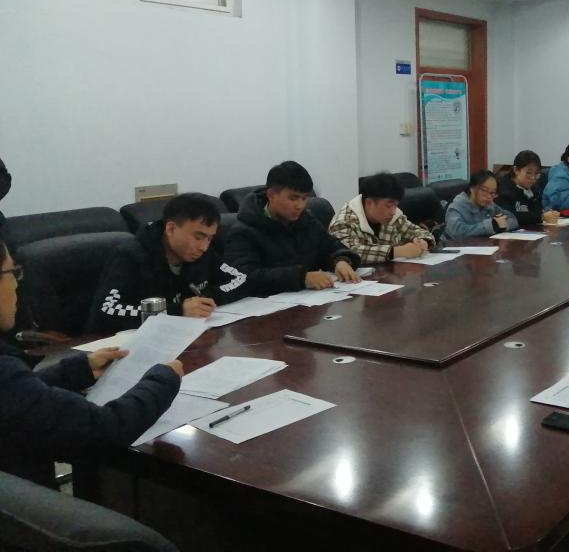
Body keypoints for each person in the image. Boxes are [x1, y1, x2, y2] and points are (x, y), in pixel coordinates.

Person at [0, 236, 182, 487]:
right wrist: (163, 380)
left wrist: (79, 370)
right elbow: (103, 430)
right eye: (12, 272)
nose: (17, 284)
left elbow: (19, 396)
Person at [87, 193, 248, 333]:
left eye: (210, 238)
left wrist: (206, 299)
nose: (204, 247)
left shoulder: (202, 254)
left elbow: (240, 279)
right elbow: (106, 311)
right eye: (198, 237)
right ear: (170, 229)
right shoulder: (130, 256)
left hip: (184, 336)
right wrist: (178, 310)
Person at [226, 161, 360, 295]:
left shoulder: (306, 220)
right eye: (293, 198)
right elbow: (243, 277)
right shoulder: (244, 231)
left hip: (312, 300)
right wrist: (301, 277)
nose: (300, 206)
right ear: (271, 195)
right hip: (270, 304)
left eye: (304, 198)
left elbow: (330, 246)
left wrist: (340, 260)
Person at [328, 172, 434, 264]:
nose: (393, 211)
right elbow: (347, 253)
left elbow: (419, 232)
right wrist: (397, 251)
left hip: (390, 276)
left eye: (396, 205)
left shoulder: (394, 217)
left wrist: (423, 242)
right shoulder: (343, 221)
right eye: (389, 205)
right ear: (369, 203)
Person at [443, 169, 520, 240]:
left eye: (492, 193)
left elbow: (513, 219)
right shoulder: (456, 207)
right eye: (484, 190)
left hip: (483, 247)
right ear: (472, 188)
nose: (489, 196)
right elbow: (456, 233)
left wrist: (502, 226)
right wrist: (491, 226)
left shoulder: (490, 205)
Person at [496, 150, 560, 227]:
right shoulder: (503, 189)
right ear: (516, 170)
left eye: (536, 173)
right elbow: (509, 216)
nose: (533, 178)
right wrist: (541, 216)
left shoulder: (534, 189)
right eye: (528, 173)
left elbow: (537, 210)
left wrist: (549, 213)